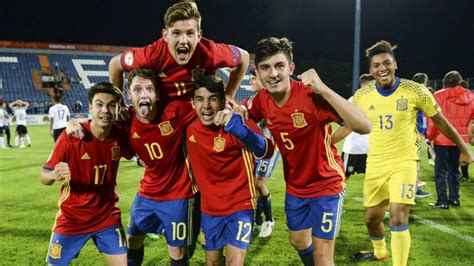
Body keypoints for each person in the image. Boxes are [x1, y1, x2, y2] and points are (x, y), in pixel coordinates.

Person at [246, 37, 372, 266]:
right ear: (257, 72)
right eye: (265, 67)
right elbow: (247, 119)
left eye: (279, 66)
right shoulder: (262, 100)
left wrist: (324, 89)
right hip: (295, 187)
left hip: (326, 185)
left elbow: (365, 125)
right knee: (298, 240)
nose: (273, 73)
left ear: (291, 68)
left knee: (323, 256)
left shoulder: (309, 95)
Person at [350, 40, 472, 266]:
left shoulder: (416, 90)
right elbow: (347, 124)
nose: (382, 68)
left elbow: (441, 121)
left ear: (395, 65)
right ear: (370, 70)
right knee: (371, 219)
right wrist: (327, 141)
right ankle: (380, 251)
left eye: (387, 63)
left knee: (398, 214)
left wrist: (464, 147)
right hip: (376, 163)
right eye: (376, 65)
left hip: (405, 161)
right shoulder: (362, 96)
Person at [67, 68, 198, 265]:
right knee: (132, 239)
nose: (143, 94)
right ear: (129, 94)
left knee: (177, 250)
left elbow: (207, 110)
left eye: (149, 89)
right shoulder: (125, 121)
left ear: (157, 94)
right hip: (147, 192)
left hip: (179, 194)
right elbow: (99, 125)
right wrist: (73, 122)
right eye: (137, 90)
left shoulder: (176, 111)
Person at [40, 82, 134, 266]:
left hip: (106, 217)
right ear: (90, 107)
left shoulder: (119, 134)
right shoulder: (71, 137)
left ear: (117, 108)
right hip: (72, 218)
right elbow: (43, 176)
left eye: (111, 105)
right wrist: (53, 176)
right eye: (99, 104)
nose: (105, 110)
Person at [186, 75, 274, 265]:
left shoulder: (237, 122)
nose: (206, 106)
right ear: (192, 103)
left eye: (213, 99)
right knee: (213, 263)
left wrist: (237, 127)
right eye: (200, 99)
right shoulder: (191, 130)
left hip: (240, 206)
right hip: (209, 210)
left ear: (222, 102)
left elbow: (266, 150)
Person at [108, 1, 249, 101]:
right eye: (176, 33)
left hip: (198, 115)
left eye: (189, 33)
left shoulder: (210, 52)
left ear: (199, 36)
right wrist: (119, 103)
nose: (183, 40)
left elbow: (244, 57)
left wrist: (229, 95)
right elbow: (115, 65)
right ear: (165, 36)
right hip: (163, 115)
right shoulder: (152, 55)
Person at [426, 70, 474, 208]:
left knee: (441, 171)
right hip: (460, 140)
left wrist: (429, 136)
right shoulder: (470, 96)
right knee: (454, 170)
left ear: (445, 82)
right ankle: (454, 198)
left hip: (442, 139)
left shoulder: (438, 95)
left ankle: (442, 201)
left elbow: (433, 119)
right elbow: (472, 119)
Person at [248, 69, 279, 238]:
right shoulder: (252, 100)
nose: (250, 82)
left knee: (259, 183)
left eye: (253, 78)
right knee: (252, 184)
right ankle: (258, 220)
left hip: (269, 148)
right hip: (255, 148)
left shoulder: (271, 99)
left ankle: (269, 220)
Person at [332, 73, 373, 178]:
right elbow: (346, 124)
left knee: (376, 180)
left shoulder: (379, 100)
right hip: (353, 148)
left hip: (371, 149)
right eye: (370, 86)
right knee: (342, 178)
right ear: (362, 86)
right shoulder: (353, 100)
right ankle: (340, 195)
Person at [411, 73, 432, 198]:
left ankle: (414, 186)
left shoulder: (408, 92)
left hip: (411, 131)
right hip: (415, 132)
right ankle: (414, 189)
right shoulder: (420, 94)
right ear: (423, 82)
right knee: (414, 161)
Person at [459, 79, 471, 182]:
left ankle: (464, 175)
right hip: (466, 131)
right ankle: (464, 175)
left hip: (462, 131)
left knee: (462, 155)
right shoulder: (470, 98)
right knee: (464, 154)